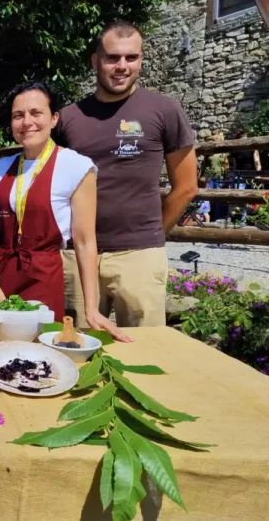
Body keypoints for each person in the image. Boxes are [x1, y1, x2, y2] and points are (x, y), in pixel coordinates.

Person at [54, 21, 197, 328]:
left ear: (141, 60)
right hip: (76, 257)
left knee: (147, 352)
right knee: (77, 349)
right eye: (112, 58)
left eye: (131, 58)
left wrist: (154, 233)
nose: (122, 66)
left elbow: (186, 186)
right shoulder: (68, 118)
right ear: (95, 61)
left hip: (139, 256)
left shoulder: (163, 110)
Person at [0, 83, 130, 342]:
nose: (27, 122)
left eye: (36, 113)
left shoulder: (76, 167)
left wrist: (91, 309)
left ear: (53, 119)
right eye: (18, 115)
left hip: (43, 277)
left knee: (39, 355)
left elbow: (84, 241)